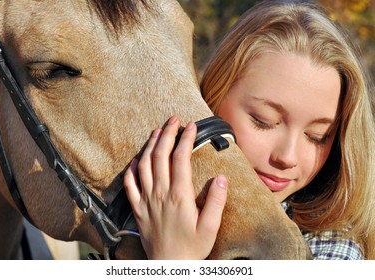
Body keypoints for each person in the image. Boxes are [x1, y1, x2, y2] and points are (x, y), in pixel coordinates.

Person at [124, 0, 375, 260]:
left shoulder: (331, 250)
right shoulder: (146, 203)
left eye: (317, 137)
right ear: (213, 97)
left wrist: (174, 261)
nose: (287, 157)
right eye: (263, 120)